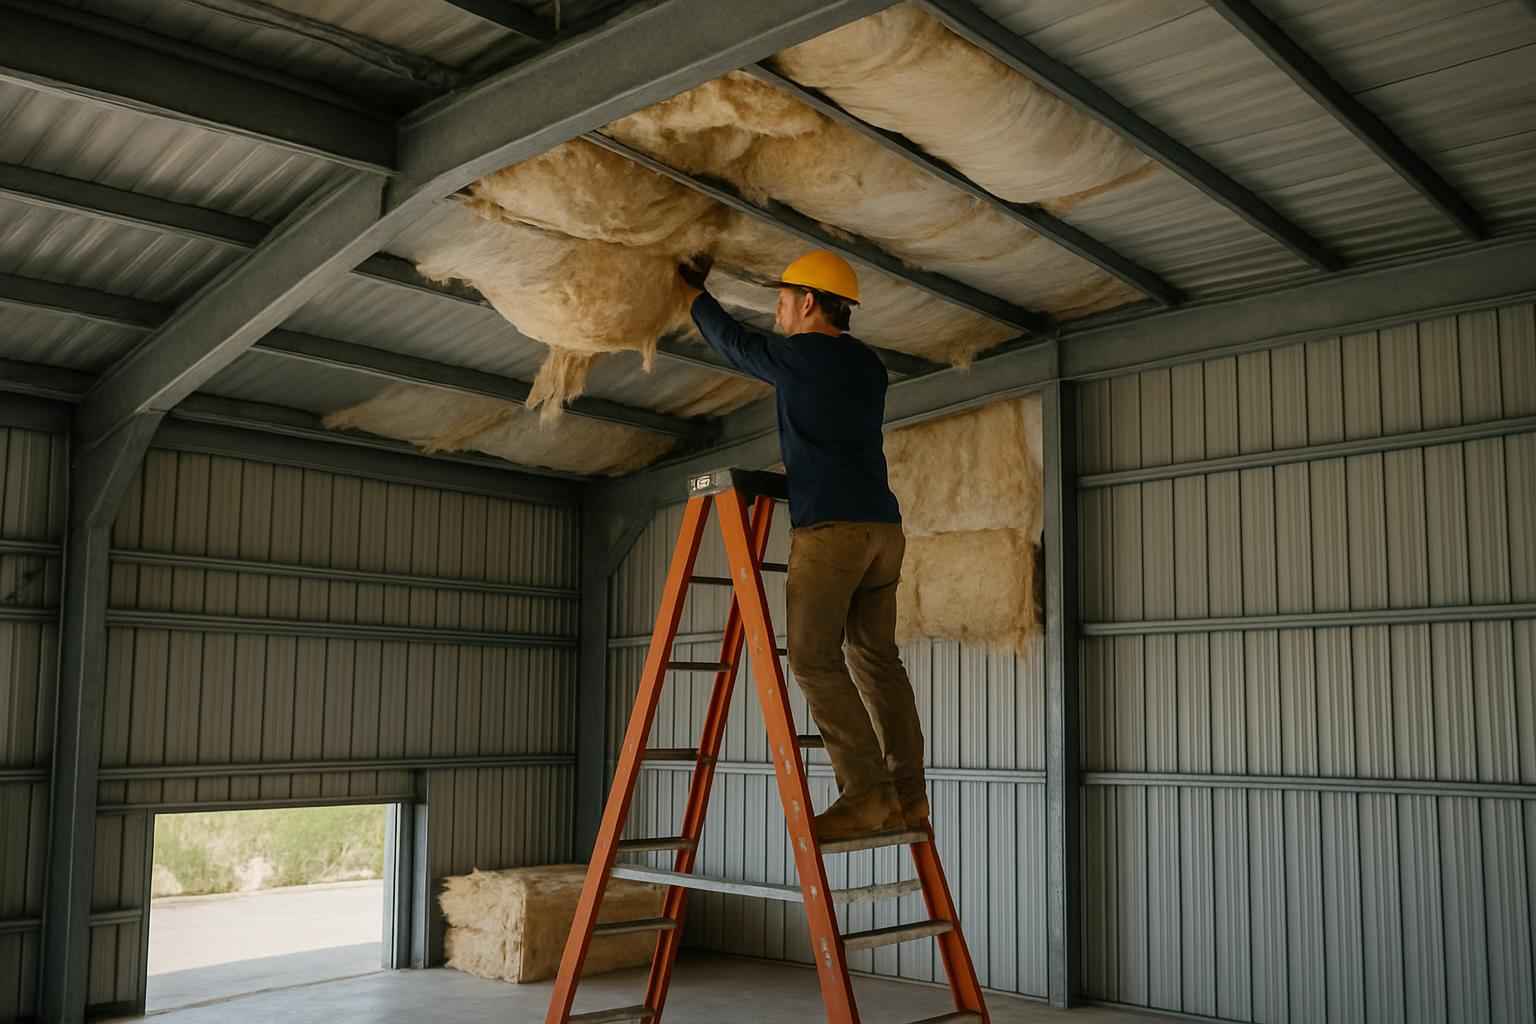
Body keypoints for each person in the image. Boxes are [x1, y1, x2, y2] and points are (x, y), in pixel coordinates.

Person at [677, 250, 927, 842]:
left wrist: (692, 295)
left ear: (809, 301)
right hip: (883, 532)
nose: (778, 310)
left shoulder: (799, 356)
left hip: (831, 532)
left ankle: (866, 796)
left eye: (784, 299)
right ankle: (909, 797)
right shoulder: (869, 365)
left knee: (814, 659)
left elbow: (736, 344)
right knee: (878, 660)